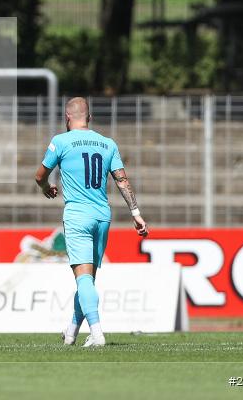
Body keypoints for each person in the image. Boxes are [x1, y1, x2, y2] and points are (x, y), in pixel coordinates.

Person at [35, 97, 149, 347]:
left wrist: (46, 187)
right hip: (102, 217)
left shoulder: (61, 141)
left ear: (67, 116)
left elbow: (40, 175)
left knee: (83, 280)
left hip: (77, 215)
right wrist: (136, 212)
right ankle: (71, 332)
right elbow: (122, 180)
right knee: (88, 279)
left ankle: (97, 334)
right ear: (89, 116)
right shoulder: (108, 144)